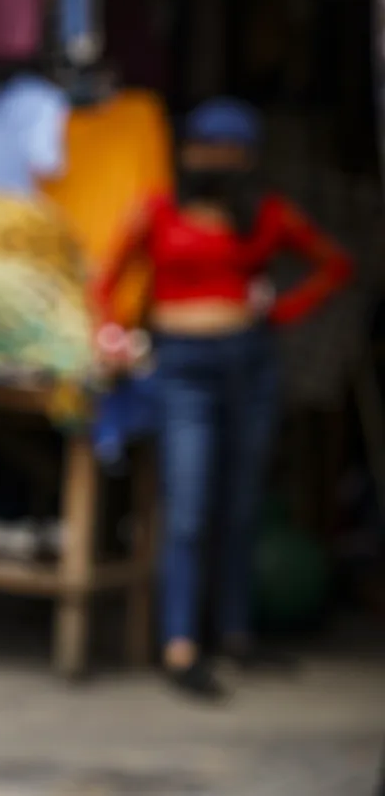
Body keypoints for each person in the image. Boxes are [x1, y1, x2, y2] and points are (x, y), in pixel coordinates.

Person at [90, 98, 353, 701]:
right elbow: (104, 282)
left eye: (230, 152)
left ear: (248, 160)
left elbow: (336, 265)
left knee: (240, 505)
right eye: (208, 149)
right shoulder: (157, 212)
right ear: (190, 153)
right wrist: (112, 335)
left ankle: (234, 634)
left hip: (250, 365)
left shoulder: (265, 215)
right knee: (187, 510)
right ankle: (180, 644)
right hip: (182, 368)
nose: (218, 161)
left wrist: (280, 312)